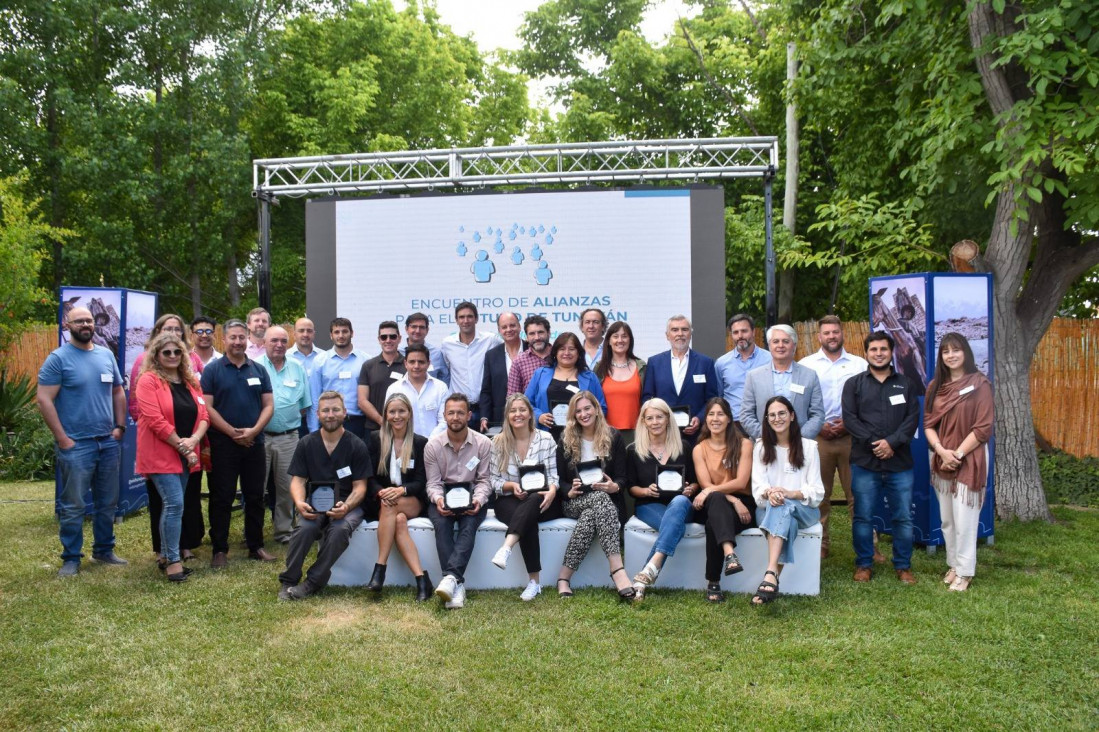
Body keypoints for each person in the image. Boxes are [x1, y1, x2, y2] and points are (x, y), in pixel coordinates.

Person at [37, 307, 129, 577]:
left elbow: (117, 391)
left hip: (107, 442)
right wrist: (62, 438)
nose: (85, 324)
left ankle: (103, 549)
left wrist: (120, 427)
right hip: (76, 445)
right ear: (67, 324)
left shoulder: (105, 355)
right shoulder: (58, 359)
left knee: (107, 502)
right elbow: (44, 399)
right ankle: (71, 558)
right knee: (74, 504)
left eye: (89, 320)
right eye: (79, 321)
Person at [841, 332, 921, 585]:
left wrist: (892, 443)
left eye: (883, 349)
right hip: (865, 462)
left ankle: (903, 566)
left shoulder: (906, 384)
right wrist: (876, 444)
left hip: (899, 463)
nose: (878, 353)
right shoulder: (854, 384)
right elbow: (850, 419)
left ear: (891, 352)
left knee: (903, 517)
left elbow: (912, 420)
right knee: (863, 516)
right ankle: (864, 564)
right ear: (866, 353)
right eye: (873, 349)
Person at [278, 391, 372, 600]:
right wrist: (300, 502)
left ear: (345, 413)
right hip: (316, 501)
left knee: (339, 530)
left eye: (335, 409)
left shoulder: (356, 445)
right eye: (326, 410)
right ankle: (289, 580)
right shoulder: (307, 443)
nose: (331, 414)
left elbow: (360, 487)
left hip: (349, 504)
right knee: (304, 528)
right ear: (317, 414)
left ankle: (313, 582)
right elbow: (298, 480)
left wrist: (346, 507)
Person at [127, 313, 206, 562]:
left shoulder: (190, 381)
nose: (172, 356)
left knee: (176, 505)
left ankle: (169, 554)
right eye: (167, 353)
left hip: (185, 453)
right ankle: (172, 560)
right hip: (161, 453)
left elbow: (204, 414)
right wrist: (186, 447)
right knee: (174, 505)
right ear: (156, 355)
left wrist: (194, 441)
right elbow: (155, 421)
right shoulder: (147, 380)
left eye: (177, 352)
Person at [200, 319, 275, 568]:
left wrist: (253, 431)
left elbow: (268, 406)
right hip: (224, 444)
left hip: (254, 442)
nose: (237, 342)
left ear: (247, 338)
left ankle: (256, 546)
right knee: (222, 496)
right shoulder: (212, 370)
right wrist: (233, 433)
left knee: (255, 496)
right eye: (233, 337)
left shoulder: (259, 370)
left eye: (242, 337)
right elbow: (207, 408)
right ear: (225, 339)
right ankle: (219, 550)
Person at [923, 333, 994, 593]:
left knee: (965, 520)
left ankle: (965, 571)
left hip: (969, 457)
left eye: (956, 350)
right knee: (947, 520)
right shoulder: (935, 387)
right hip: (942, 458)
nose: (951, 355)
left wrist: (958, 455)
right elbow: (929, 425)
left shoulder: (980, 384)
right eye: (945, 352)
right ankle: (953, 564)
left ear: (966, 352)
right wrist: (942, 452)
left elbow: (983, 427)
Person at [555, 391, 636, 600]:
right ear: (573, 415)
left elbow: (622, 478)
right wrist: (568, 490)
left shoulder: (613, 436)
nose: (583, 414)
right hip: (575, 501)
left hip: (607, 499)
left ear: (596, 409)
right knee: (597, 501)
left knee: (592, 513)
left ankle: (564, 578)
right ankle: (618, 571)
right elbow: (560, 479)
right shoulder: (566, 438)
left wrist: (614, 487)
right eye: (578, 411)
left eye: (587, 408)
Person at [798, 315, 868, 558]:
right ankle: (821, 545)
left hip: (852, 436)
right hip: (820, 437)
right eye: (826, 333)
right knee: (820, 495)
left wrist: (849, 424)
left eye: (835, 332)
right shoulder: (806, 365)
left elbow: (867, 400)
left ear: (842, 334)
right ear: (819, 337)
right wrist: (818, 426)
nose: (831, 336)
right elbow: (801, 403)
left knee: (857, 494)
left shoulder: (859, 364)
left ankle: (869, 547)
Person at [749, 396, 825, 604]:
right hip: (768, 508)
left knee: (786, 507)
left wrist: (791, 494)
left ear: (792, 416)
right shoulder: (761, 447)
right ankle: (772, 577)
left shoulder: (809, 447)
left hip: (805, 510)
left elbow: (817, 491)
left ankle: (770, 571)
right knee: (784, 514)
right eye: (772, 415)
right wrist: (769, 493)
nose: (777, 418)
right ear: (767, 419)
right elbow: (758, 486)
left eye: (782, 413)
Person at [488, 394, 562, 601]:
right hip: (510, 499)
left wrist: (553, 490)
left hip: (543, 498)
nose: (518, 414)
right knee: (526, 518)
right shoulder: (498, 442)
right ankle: (534, 582)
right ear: (507, 415)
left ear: (530, 414)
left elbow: (555, 475)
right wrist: (511, 485)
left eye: (522, 410)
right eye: (513, 410)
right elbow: (492, 480)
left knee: (533, 500)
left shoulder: (546, 439)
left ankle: (506, 548)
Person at [627, 398, 700, 600]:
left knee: (678, 503)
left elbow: (696, 482)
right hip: (648, 505)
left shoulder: (683, 446)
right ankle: (645, 576)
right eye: (649, 418)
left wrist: (689, 490)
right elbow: (631, 488)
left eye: (659, 416)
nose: (655, 422)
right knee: (674, 527)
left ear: (668, 419)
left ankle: (646, 573)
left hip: (681, 505)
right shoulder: (634, 450)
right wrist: (645, 491)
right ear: (643, 422)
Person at [424, 394, 492, 609]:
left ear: (469, 415)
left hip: (472, 497)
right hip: (444, 498)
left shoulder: (483, 443)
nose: (455, 417)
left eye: (460, 412)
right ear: (444, 415)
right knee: (441, 524)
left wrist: (479, 501)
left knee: (469, 525)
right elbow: (433, 484)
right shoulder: (433, 446)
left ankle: (450, 578)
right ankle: (457, 583)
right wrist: (438, 500)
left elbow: (484, 480)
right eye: (451, 412)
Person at [364, 393, 432, 601]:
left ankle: (379, 568)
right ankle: (422, 579)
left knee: (391, 507)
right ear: (385, 415)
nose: (397, 416)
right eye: (392, 412)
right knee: (399, 520)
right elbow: (369, 476)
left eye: (401, 411)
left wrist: (401, 491)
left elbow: (421, 481)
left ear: (409, 414)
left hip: (411, 499)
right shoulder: (375, 439)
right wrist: (381, 492)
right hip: (384, 499)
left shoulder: (420, 443)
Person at [691, 397, 755, 603]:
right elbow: (705, 484)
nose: (715, 418)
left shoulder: (744, 444)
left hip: (743, 506)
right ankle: (730, 554)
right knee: (717, 500)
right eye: (711, 414)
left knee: (713, 524)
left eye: (720, 414)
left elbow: (741, 481)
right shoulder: (699, 449)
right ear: (705, 419)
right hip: (714, 502)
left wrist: (735, 501)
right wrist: (730, 499)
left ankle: (713, 583)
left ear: (729, 418)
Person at [256, 325, 311, 544]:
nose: (279, 345)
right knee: (256, 487)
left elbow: (304, 404)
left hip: (289, 437)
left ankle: (284, 531)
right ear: (264, 343)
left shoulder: (297, 367)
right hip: (260, 437)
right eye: (274, 341)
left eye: (283, 341)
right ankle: (255, 533)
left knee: (287, 488)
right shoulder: (255, 366)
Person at [641, 315, 719, 446]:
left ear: (690, 333)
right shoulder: (654, 362)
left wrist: (699, 419)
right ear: (667, 335)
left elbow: (712, 399)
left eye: (684, 329)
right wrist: (658, 420)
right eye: (675, 330)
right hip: (663, 434)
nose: (680, 334)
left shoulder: (705, 363)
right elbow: (647, 398)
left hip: (696, 436)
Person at [740, 324, 825, 440]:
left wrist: (799, 438)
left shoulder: (809, 375)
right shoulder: (754, 376)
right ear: (769, 346)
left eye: (786, 341)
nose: (780, 345)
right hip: (765, 445)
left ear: (794, 345)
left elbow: (817, 414)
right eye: (775, 341)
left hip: (800, 445)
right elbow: (746, 415)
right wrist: (766, 436)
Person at [525, 332, 607, 432]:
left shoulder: (590, 377)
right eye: (562, 349)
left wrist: (586, 419)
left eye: (572, 349)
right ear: (555, 352)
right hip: (546, 435)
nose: (567, 353)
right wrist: (539, 416)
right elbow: (526, 403)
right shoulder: (540, 374)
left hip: (580, 436)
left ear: (578, 353)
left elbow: (601, 408)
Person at [439, 301, 500, 427]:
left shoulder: (490, 340)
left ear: (476, 319)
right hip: (460, 410)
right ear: (456, 320)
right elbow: (447, 369)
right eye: (461, 317)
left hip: (486, 408)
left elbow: (511, 347)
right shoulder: (447, 344)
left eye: (469, 316)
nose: (465, 320)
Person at [308, 318, 370, 437]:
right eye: (336, 332)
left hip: (357, 423)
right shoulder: (320, 361)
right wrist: (314, 430)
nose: (341, 335)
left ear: (352, 333)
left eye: (345, 331)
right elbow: (315, 398)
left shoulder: (365, 360)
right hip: (329, 422)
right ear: (331, 335)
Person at [594, 321, 646, 444]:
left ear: (630, 340)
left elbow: (647, 400)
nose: (620, 340)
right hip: (606, 434)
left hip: (637, 435)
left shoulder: (641, 367)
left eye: (624, 336)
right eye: (615, 336)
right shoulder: (599, 368)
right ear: (609, 341)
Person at [715, 314, 772, 416]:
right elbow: (719, 396)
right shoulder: (721, 363)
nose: (740, 336)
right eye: (735, 332)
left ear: (753, 332)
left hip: (763, 422)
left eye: (744, 331)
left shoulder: (770, 359)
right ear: (731, 335)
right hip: (733, 423)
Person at [385, 344, 448, 437]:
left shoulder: (440, 387)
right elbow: (390, 420)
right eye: (412, 362)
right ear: (405, 363)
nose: (416, 366)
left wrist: (430, 442)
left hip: (435, 445)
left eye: (421, 362)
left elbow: (444, 421)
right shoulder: (394, 389)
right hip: (405, 446)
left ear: (428, 363)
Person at [479, 312, 526, 432]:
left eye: (512, 325)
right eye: (504, 327)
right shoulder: (491, 355)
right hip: (500, 419)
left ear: (519, 327)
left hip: (529, 417)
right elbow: (486, 390)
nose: (509, 330)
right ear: (499, 330)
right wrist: (484, 416)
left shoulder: (532, 350)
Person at [357, 320, 407, 432]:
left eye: (392, 337)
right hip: (374, 429)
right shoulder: (368, 366)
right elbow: (362, 400)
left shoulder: (408, 365)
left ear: (399, 338)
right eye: (384, 337)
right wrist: (382, 421)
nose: (388, 340)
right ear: (379, 340)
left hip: (404, 429)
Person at [506, 314, 553, 396]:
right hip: (531, 408)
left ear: (549, 333)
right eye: (532, 334)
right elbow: (512, 398)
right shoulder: (519, 362)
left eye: (540, 332)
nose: (537, 337)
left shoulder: (560, 356)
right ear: (526, 337)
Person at [401, 311, 449, 385]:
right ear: (406, 329)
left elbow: (444, 377)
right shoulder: (398, 352)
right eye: (414, 327)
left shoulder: (436, 353)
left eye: (422, 327)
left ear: (427, 330)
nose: (417, 331)